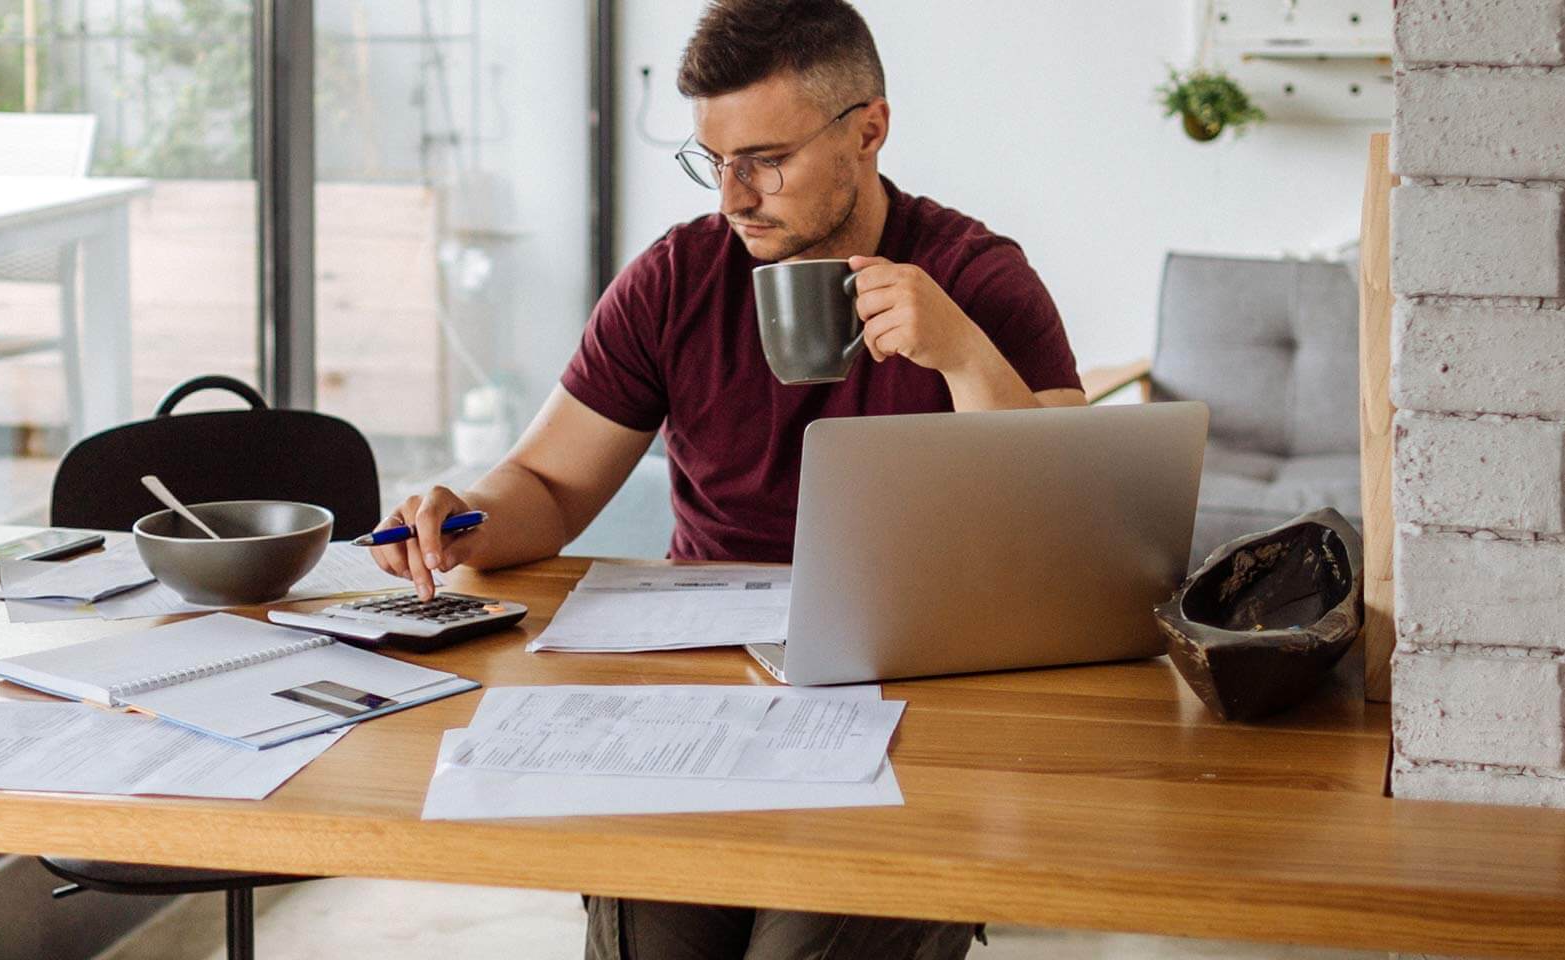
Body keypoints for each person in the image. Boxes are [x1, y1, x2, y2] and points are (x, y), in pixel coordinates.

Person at [371, 0, 1083, 956]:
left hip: (916, 695)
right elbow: (547, 483)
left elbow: (1064, 529)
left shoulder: (976, 281)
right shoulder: (676, 278)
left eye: (766, 160)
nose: (731, 199)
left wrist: (960, 354)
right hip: (700, 691)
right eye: (714, 161)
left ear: (868, 129)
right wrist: (463, 519)